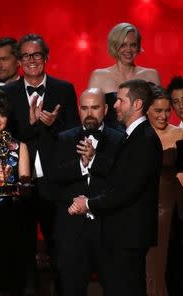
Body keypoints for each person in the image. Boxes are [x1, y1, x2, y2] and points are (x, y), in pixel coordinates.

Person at [0, 33, 79, 293]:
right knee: (22, 251)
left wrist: (52, 124)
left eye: (37, 54)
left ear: (46, 57)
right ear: (19, 61)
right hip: (20, 184)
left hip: (54, 183)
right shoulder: (7, 93)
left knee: (60, 250)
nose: (32, 60)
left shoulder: (64, 89)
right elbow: (4, 137)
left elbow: (75, 135)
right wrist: (31, 124)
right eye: (26, 56)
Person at [69, 79, 162, 296]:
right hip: (123, 233)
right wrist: (95, 159)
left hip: (129, 234)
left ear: (137, 104)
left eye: (120, 100)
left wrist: (89, 203)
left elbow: (127, 189)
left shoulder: (145, 139)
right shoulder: (135, 136)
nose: (116, 105)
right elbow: (122, 173)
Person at [51, 88, 124, 296]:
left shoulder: (119, 140)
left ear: (106, 109)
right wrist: (81, 165)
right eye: (84, 108)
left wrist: (94, 159)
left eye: (95, 107)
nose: (89, 113)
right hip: (71, 231)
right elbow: (54, 177)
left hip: (107, 229)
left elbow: (120, 179)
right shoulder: (64, 138)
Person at [0, 92, 31, 295]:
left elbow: (25, 182)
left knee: (9, 272)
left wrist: (19, 188)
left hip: (11, 215)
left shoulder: (20, 147)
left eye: (1, 115)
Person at [145, 84, 183, 296]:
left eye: (167, 111)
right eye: (158, 111)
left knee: (172, 263)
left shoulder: (181, 133)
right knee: (151, 262)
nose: (164, 116)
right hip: (147, 207)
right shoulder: (139, 135)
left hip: (174, 208)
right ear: (147, 110)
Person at [88, 22, 160, 129]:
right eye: (123, 45)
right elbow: (92, 114)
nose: (128, 50)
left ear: (138, 46)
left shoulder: (151, 75)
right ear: (115, 46)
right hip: (111, 142)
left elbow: (159, 110)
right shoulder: (98, 76)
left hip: (144, 140)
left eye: (133, 45)